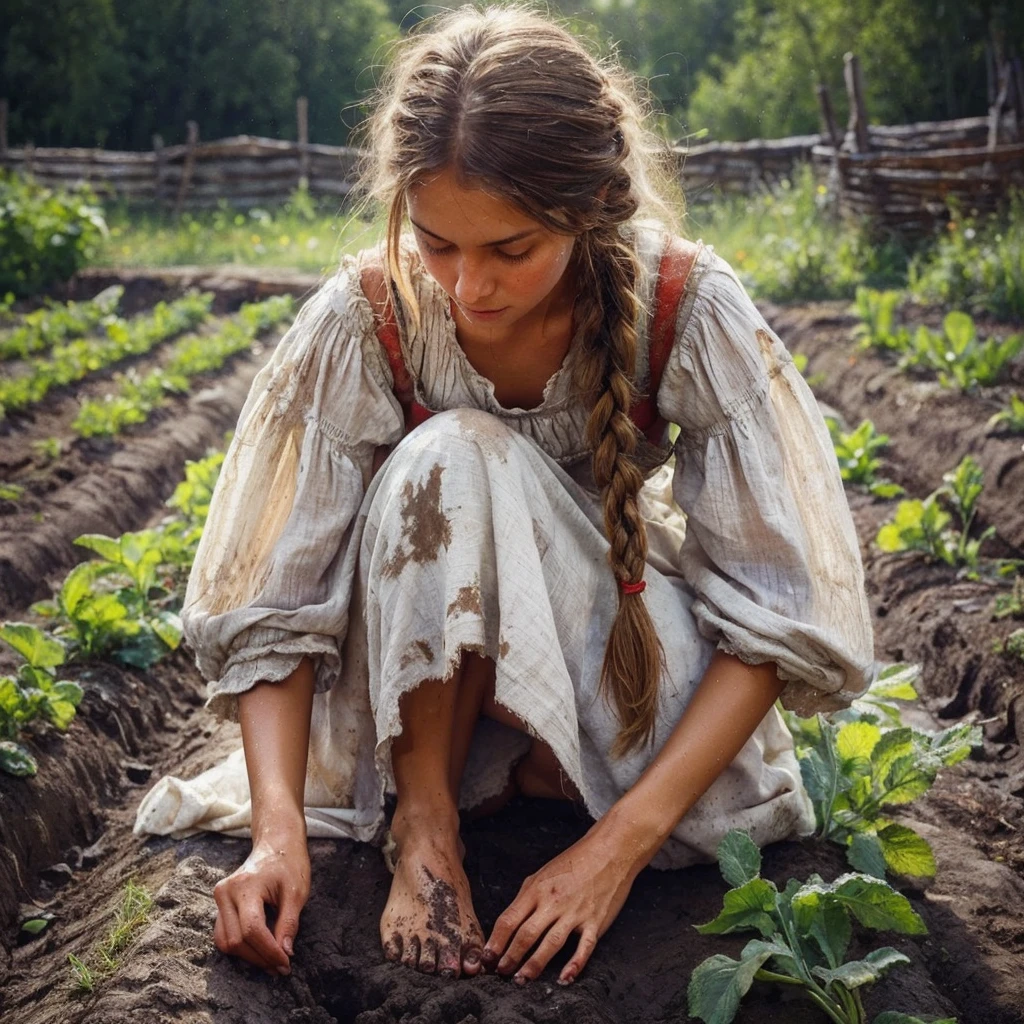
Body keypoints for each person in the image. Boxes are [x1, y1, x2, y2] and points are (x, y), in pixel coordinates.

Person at [134, 3, 874, 990]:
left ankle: (529, 770)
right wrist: (276, 836)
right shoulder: (371, 319)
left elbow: (777, 609)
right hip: (419, 661)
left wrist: (611, 852)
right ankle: (430, 818)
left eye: (510, 250)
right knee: (452, 454)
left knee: (728, 804)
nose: (468, 285)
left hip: (597, 632)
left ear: (588, 208)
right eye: (438, 243)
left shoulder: (684, 307)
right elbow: (276, 597)